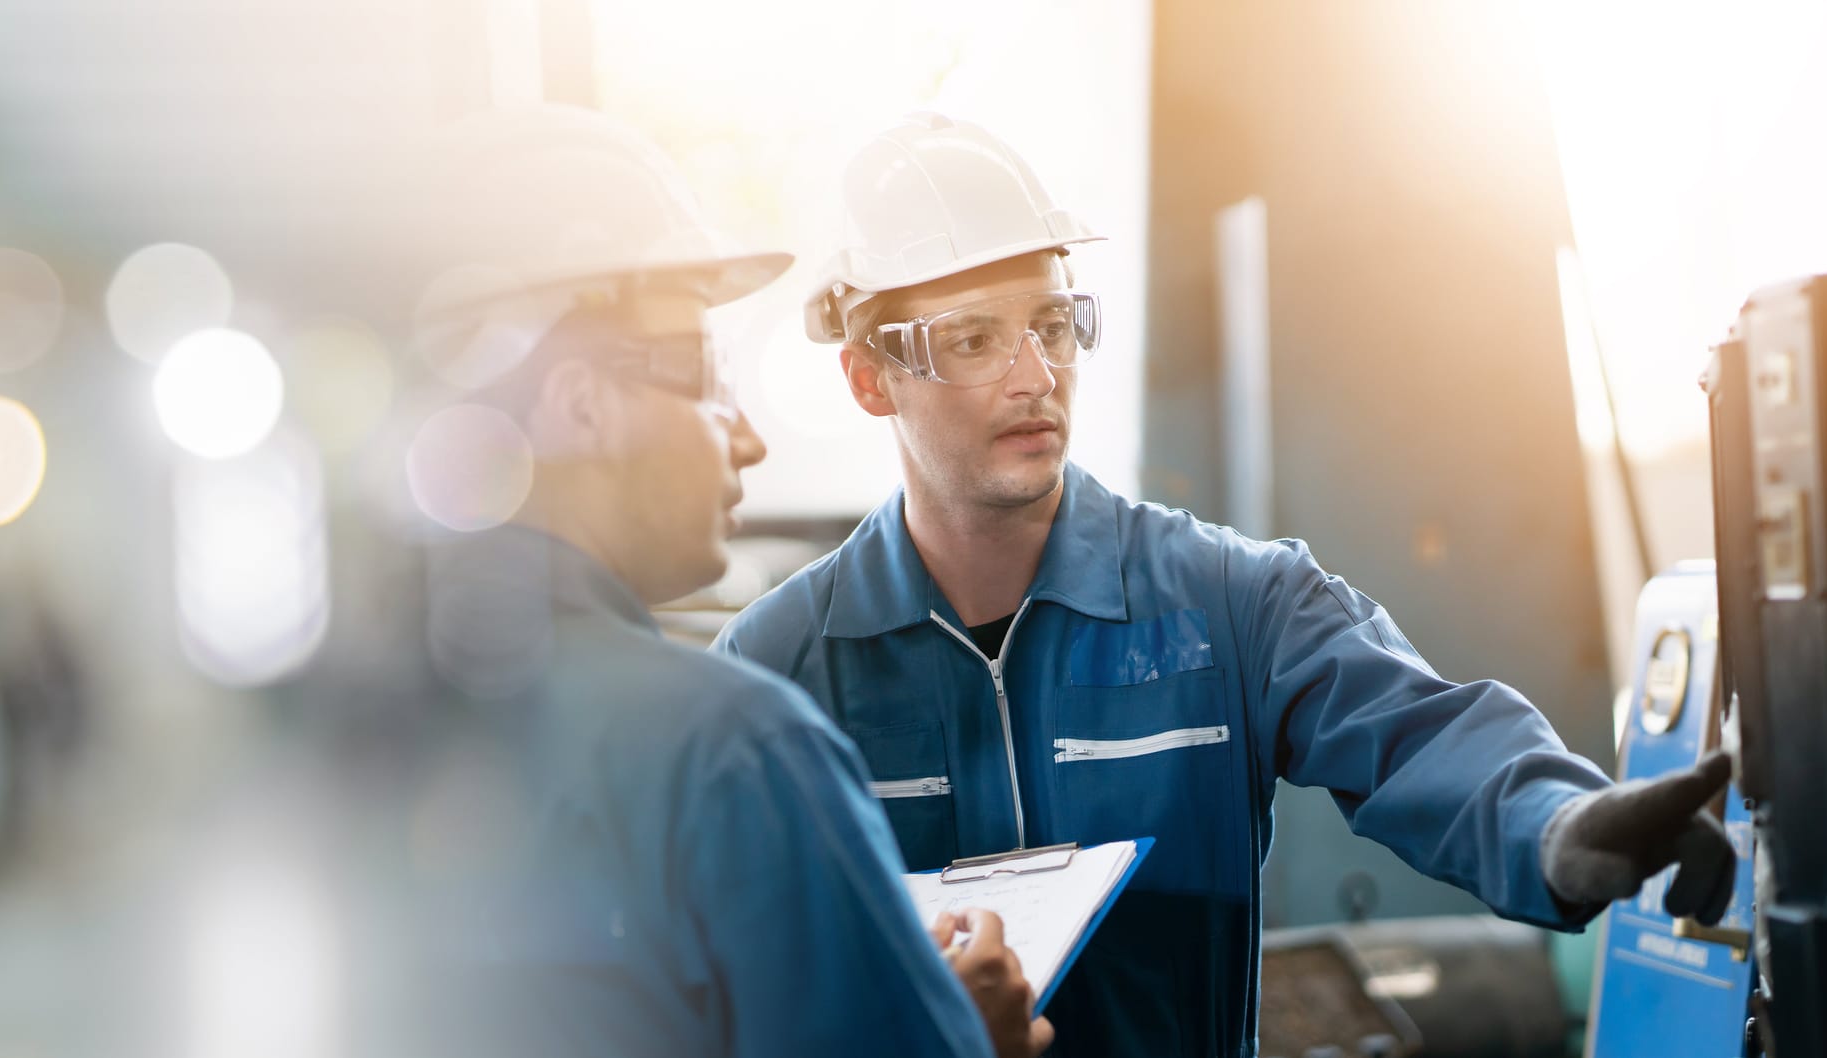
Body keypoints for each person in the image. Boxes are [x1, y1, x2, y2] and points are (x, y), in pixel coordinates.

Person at [712, 113, 1736, 1058]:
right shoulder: (778, 673)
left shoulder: (1229, 604)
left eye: (1055, 324)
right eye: (974, 338)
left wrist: (1554, 823)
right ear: (868, 376)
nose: (1034, 374)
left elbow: (1420, 732)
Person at [386, 104, 1048, 1058]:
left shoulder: (337, 737)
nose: (748, 437)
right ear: (580, 405)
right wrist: (961, 1039)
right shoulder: (736, 752)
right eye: (704, 376)